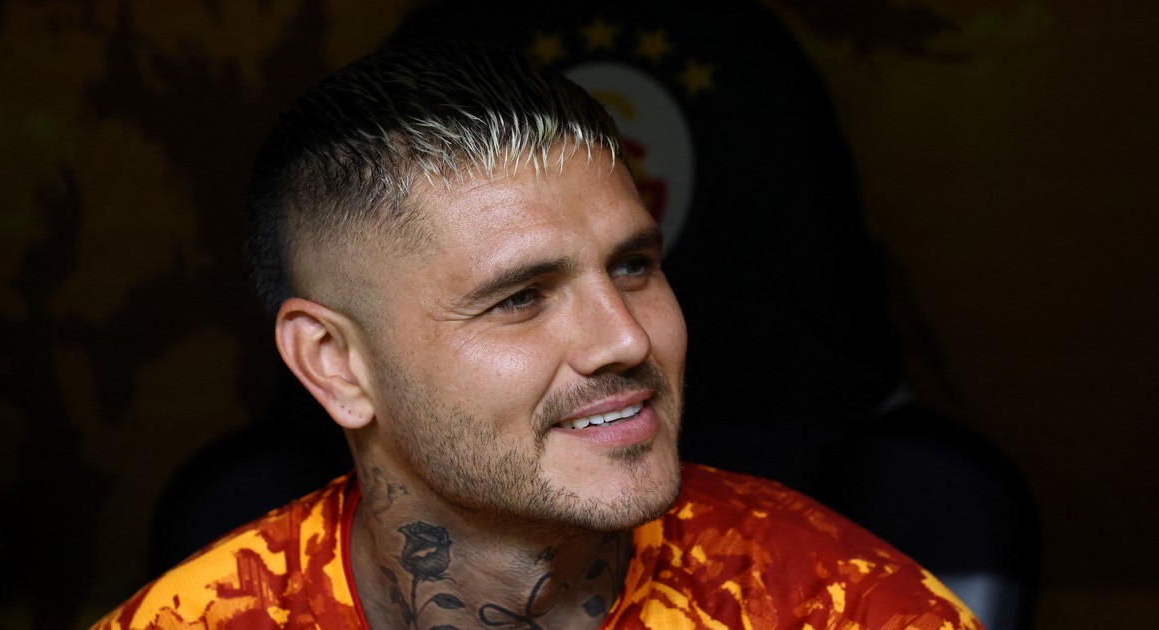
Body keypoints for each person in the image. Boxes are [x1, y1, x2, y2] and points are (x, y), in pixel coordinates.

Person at [94, 42, 982, 629]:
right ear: (337, 365)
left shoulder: (845, 608)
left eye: (632, 266)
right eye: (520, 297)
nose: (624, 339)